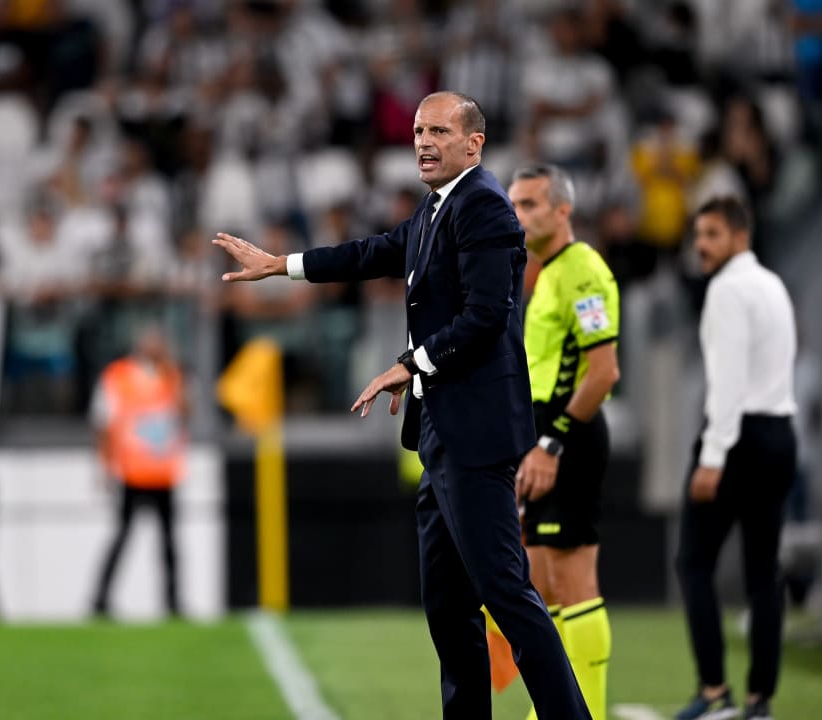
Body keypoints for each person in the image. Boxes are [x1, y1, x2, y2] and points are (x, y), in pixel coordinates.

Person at [213, 91, 589, 720]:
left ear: (474, 143)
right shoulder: (438, 207)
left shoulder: (485, 209)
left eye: (438, 130)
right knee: (446, 601)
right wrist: (283, 265)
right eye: (417, 130)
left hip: (476, 434)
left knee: (505, 591)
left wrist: (410, 365)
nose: (422, 141)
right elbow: (375, 253)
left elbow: (486, 316)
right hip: (442, 431)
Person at [675, 196, 797, 720]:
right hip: (778, 433)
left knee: (694, 563)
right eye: (699, 235)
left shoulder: (726, 291)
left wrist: (713, 456)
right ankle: (759, 700)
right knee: (762, 573)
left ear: (740, 237)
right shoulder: (773, 284)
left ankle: (713, 691)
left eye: (713, 235)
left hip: (737, 436)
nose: (701, 245)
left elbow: (728, 382)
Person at [509, 164, 620, 720]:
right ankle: (556, 708)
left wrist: (550, 444)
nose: (520, 215)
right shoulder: (550, 272)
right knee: (545, 578)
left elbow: (602, 372)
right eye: (515, 205)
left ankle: (587, 712)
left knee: (573, 577)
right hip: (548, 435)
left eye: (530, 204)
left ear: (562, 211)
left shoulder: (580, 271)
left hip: (567, 437)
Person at [89, 326, 187, 617]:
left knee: (169, 542)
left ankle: (172, 603)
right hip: (132, 471)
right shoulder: (117, 375)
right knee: (122, 537)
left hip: (163, 472)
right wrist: (104, 465)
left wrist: (174, 374)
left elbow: (185, 412)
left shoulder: (172, 375)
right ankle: (101, 599)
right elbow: (102, 422)